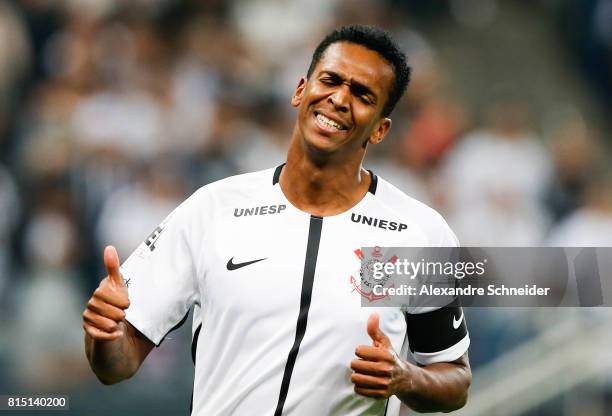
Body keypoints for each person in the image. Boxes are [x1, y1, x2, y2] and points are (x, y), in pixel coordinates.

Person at [83, 25, 471, 415]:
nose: (339, 99)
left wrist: (406, 378)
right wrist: (104, 334)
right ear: (301, 90)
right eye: (330, 80)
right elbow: (118, 363)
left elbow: (454, 380)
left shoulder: (418, 232)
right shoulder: (213, 209)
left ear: (381, 129)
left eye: (362, 95)